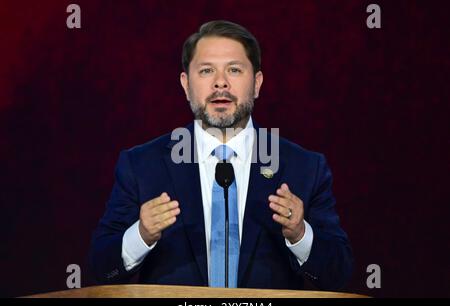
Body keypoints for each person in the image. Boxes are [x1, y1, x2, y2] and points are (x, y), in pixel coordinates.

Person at [90, 20, 352, 290]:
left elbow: (338, 274)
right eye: (206, 71)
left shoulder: (304, 168)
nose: (220, 83)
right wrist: (141, 235)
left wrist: (300, 234)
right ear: (186, 84)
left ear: (257, 83)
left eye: (234, 70)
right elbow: (101, 269)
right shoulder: (142, 166)